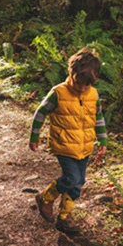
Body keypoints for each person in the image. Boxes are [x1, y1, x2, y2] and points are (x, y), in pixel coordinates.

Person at [29, 47, 107, 235]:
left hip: (84, 146)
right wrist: (35, 135)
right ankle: (45, 198)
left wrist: (103, 141)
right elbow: (41, 112)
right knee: (71, 178)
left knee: (78, 183)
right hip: (64, 145)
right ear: (70, 74)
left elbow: (98, 118)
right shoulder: (59, 93)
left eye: (86, 85)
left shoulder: (93, 95)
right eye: (78, 82)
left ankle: (64, 218)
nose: (81, 88)